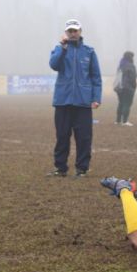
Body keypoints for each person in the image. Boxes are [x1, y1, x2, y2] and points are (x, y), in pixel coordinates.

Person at [47, 19, 102, 178]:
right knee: (62, 136)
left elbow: (95, 77)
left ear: (80, 32)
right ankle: (60, 168)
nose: (72, 33)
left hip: (83, 102)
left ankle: (82, 169)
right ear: (66, 33)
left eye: (75, 31)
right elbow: (54, 65)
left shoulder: (89, 52)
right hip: (62, 101)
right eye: (69, 31)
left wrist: (96, 97)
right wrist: (63, 48)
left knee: (84, 138)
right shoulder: (59, 49)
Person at [114, 51, 137, 126]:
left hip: (119, 87)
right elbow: (133, 78)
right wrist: (134, 86)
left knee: (121, 103)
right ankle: (125, 121)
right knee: (127, 104)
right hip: (128, 87)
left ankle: (118, 120)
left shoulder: (120, 65)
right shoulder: (131, 66)